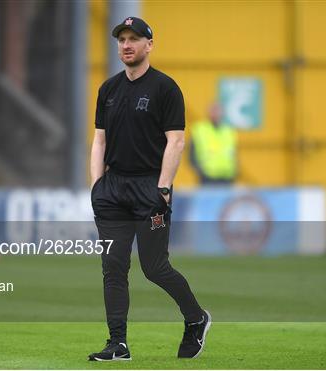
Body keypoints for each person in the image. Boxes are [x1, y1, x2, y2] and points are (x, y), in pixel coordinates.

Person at [88, 16, 211, 362]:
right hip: (112, 190)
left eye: (134, 39)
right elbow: (99, 140)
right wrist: (97, 185)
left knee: (154, 268)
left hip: (149, 189)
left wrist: (163, 188)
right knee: (113, 267)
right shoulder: (108, 90)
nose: (126, 44)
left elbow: (177, 141)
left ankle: (196, 318)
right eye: (121, 39)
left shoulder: (165, 88)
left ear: (149, 45)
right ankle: (118, 344)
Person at [190, 102, 238, 185]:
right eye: (213, 111)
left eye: (218, 111)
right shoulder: (200, 129)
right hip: (208, 177)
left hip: (227, 177)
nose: (216, 114)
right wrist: (199, 170)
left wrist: (236, 171)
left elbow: (233, 153)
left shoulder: (228, 131)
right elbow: (191, 155)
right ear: (208, 113)